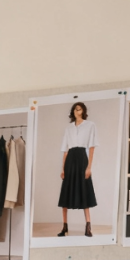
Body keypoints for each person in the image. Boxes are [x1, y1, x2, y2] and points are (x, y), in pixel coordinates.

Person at [57, 102, 97, 238]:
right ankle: (64, 227)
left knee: (84, 191)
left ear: (83, 111)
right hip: (70, 160)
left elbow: (92, 147)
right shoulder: (68, 128)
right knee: (66, 193)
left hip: (82, 159)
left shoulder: (90, 125)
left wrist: (89, 167)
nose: (76, 111)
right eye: (75, 109)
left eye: (79, 109)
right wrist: (63, 168)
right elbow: (65, 150)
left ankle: (88, 227)